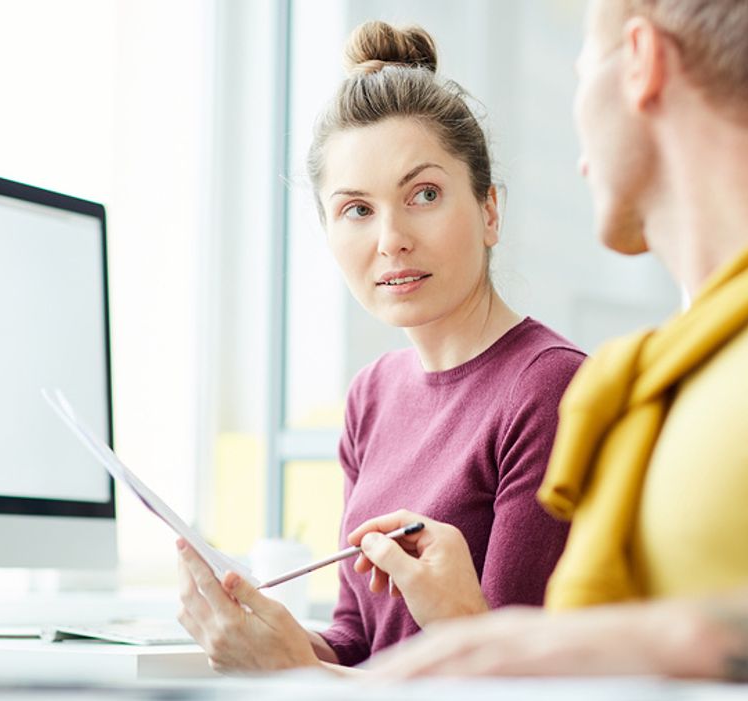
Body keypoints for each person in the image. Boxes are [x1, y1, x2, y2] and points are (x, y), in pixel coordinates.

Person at [359, 0, 748, 682]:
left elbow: (645, 645)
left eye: (584, 72)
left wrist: (665, 639)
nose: (578, 140)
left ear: (640, 62)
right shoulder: (675, 371)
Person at [174, 21, 586, 673]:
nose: (390, 238)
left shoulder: (549, 389)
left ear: (489, 211)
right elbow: (359, 641)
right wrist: (263, 632)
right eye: (357, 210)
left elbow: (515, 682)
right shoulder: (372, 393)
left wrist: (297, 672)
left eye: (424, 195)